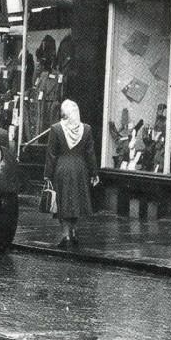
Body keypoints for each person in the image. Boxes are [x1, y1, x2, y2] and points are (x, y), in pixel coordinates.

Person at [44, 99, 99, 248]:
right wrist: (94, 172)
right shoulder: (86, 129)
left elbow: (51, 154)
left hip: (62, 168)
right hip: (80, 168)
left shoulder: (56, 129)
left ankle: (65, 235)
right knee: (76, 201)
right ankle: (74, 232)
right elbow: (90, 153)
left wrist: (47, 174)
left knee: (63, 201)